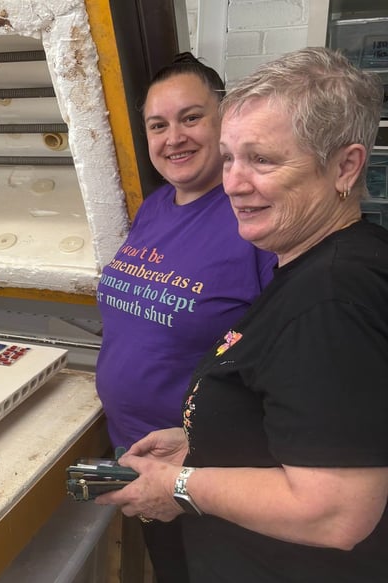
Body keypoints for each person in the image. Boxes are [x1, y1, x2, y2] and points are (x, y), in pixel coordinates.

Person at [96, 46, 388, 583]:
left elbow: (335, 511)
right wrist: (206, 440)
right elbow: (300, 412)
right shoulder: (314, 262)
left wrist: (177, 486)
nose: (233, 182)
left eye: (263, 160)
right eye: (230, 158)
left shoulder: (332, 299)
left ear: (345, 166)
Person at [94, 52, 276, 582]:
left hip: (211, 469)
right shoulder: (154, 207)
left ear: (225, 120)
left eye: (191, 118)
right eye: (158, 125)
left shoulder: (251, 215)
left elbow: (284, 360)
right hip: (139, 453)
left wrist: (211, 452)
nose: (174, 137)